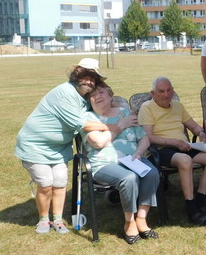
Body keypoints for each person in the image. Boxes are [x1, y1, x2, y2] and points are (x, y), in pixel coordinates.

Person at [15, 58, 131, 235]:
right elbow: (81, 124)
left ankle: (58, 220)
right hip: (35, 145)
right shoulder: (65, 93)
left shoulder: (84, 97)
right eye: (85, 76)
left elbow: (105, 102)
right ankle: (44, 219)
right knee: (45, 184)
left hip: (60, 147)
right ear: (76, 76)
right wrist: (113, 126)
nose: (89, 82)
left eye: (93, 79)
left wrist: (116, 106)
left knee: (60, 182)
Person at [138, 76, 206, 226]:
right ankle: (191, 209)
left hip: (182, 147)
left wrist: (201, 134)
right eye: (161, 91)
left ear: (173, 90)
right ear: (153, 93)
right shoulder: (147, 108)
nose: (166, 94)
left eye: (169, 90)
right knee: (185, 160)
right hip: (160, 150)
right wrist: (174, 142)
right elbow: (148, 137)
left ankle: (200, 201)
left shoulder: (177, 106)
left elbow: (193, 126)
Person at [83, 84, 161, 244]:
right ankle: (129, 222)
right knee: (129, 178)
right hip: (104, 164)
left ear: (110, 95)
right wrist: (120, 126)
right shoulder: (88, 118)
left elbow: (144, 138)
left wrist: (139, 152)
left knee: (152, 173)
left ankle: (141, 219)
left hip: (132, 159)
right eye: (93, 95)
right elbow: (98, 142)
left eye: (101, 92)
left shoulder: (125, 113)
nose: (97, 96)